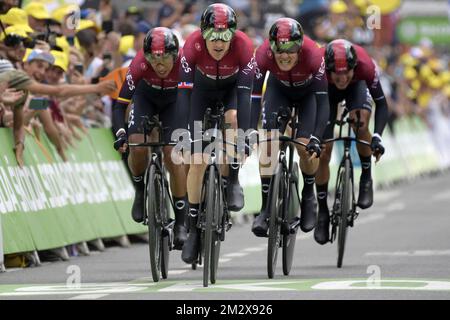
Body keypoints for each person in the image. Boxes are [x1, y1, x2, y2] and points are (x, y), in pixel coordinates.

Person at [177, 3, 255, 264]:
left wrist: (244, 137)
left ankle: (231, 178)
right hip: (201, 93)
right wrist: (185, 133)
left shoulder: (243, 46)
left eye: (225, 36)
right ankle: (192, 228)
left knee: (233, 119)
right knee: (197, 160)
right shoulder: (191, 46)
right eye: (213, 35)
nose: (219, 42)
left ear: (233, 34)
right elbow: (183, 95)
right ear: (203, 33)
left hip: (232, 91)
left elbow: (245, 98)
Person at [250, 17, 330, 237]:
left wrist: (316, 136)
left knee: (304, 147)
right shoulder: (262, 54)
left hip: (308, 97)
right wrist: (250, 129)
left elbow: (324, 103)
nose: (284, 56)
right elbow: (255, 96)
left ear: (300, 46)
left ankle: (308, 193)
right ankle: (266, 209)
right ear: (272, 47)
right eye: (279, 50)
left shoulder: (314, 55)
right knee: (268, 146)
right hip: (279, 91)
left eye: (290, 50)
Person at [112, 27, 188, 249]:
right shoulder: (139, 65)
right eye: (154, 59)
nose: (160, 64)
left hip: (175, 102)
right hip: (146, 99)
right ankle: (139, 190)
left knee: (172, 154)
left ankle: (182, 223)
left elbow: (195, 98)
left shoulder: (184, 65)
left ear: (175, 55)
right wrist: (120, 134)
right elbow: (119, 107)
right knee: (137, 146)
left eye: (165, 58)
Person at [314, 39, 388, 244]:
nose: (343, 77)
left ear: (354, 67)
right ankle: (322, 212)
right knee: (323, 149)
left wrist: (377, 136)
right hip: (326, 93)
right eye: (338, 73)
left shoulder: (365, 65)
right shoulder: (318, 66)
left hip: (357, 89)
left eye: (347, 72)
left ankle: (366, 176)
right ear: (329, 69)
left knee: (360, 122)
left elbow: (382, 104)